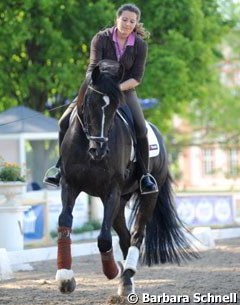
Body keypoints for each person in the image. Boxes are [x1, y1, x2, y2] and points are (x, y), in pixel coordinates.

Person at [43, 3, 158, 194]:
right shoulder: (101, 38)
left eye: (132, 21)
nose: (128, 24)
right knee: (64, 121)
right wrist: (98, 89)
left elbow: (136, 78)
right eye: (124, 20)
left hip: (124, 90)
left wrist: (115, 89)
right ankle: (60, 167)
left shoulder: (139, 45)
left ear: (136, 23)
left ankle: (144, 175)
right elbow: (92, 67)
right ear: (117, 19)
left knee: (140, 127)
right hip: (94, 86)